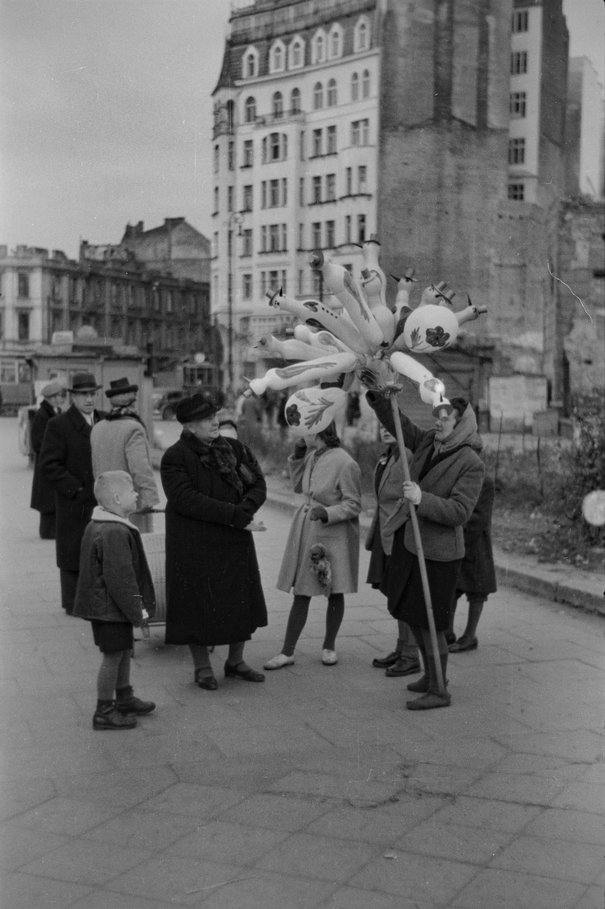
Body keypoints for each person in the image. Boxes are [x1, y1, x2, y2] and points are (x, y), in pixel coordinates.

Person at [366, 391, 484, 710]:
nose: (439, 421)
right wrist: (379, 397)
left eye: (447, 418)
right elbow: (399, 424)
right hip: (412, 543)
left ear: (462, 424)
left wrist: (422, 499)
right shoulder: (429, 442)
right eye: (438, 415)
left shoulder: (470, 462)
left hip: (439, 553)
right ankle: (432, 677)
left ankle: (439, 691)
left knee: (433, 623)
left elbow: (460, 511)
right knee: (414, 615)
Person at [160, 392, 268, 690]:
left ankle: (235, 661)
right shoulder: (175, 457)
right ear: (190, 426)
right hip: (194, 543)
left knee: (239, 600)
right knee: (196, 604)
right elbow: (186, 499)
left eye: (214, 416)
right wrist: (236, 515)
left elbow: (257, 483)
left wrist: (245, 511)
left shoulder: (233, 449)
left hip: (233, 538)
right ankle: (203, 667)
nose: (214, 421)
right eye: (207, 418)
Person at [264, 422, 362, 670]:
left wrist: (327, 512)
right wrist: (297, 456)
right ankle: (287, 651)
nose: (302, 433)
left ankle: (329, 646)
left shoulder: (345, 462)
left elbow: (353, 504)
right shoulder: (311, 456)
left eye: (307, 429)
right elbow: (299, 486)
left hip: (333, 532)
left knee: (335, 587)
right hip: (308, 528)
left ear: (320, 431)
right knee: (303, 589)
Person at [73, 471, 156, 730]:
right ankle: (104, 710)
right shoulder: (114, 531)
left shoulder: (101, 524)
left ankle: (124, 698)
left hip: (105, 606)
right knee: (113, 656)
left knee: (122, 651)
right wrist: (138, 612)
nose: (137, 494)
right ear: (118, 498)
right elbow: (121, 579)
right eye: (133, 491)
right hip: (111, 607)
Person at [39, 372, 106, 615]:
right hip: (74, 500)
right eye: (83, 395)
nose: (89, 399)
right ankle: (72, 602)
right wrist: (75, 488)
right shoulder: (58, 425)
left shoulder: (104, 420)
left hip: (103, 498)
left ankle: (99, 598)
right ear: (73, 397)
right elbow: (49, 464)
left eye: (92, 394)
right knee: (72, 550)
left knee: (101, 548)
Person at [366, 426, 421, 677]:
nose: (384, 430)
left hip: (401, 533)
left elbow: (408, 498)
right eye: (380, 426)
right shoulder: (389, 455)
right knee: (394, 594)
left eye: (389, 425)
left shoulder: (407, 456)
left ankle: (411, 654)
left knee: (404, 594)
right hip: (386, 533)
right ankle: (401, 648)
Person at [91, 376, 159, 533]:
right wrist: (148, 499)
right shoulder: (133, 428)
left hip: (106, 502)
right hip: (131, 504)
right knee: (137, 546)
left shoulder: (98, 427)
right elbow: (140, 468)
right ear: (132, 403)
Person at [447, 474, 497, 652]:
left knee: (477, 591)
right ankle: (448, 632)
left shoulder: (485, 480)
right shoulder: (461, 475)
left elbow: (479, 516)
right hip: (458, 539)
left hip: (475, 544)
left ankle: (470, 635)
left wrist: (461, 535)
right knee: (452, 588)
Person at [30, 380, 65, 539]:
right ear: (50, 398)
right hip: (46, 463)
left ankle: (51, 531)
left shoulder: (52, 412)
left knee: (50, 498)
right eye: (57, 396)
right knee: (47, 500)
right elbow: (37, 441)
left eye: (60, 396)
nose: (60, 399)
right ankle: (47, 532)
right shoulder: (43, 415)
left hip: (50, 462)